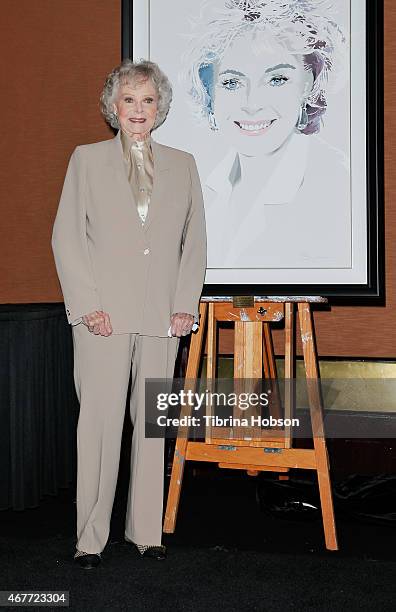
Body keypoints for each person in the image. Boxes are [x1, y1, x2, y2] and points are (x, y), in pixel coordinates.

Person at [51, 59, 207, 568]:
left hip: (163, 315)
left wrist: (185, 305)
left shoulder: (184, 164)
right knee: (97, 427)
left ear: (159, 108)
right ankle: (89, 538)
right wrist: (87, 305)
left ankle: (146, 530)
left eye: (147, 100)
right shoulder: (86, 160)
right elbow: (67, 238)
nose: (138, 109)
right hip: (103, 318)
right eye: (128, 100)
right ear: (112, 108)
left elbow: (195, 242)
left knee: (151, 427)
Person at [183, 0, 350, 270]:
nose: (252, 103)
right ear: (210, 94)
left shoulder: (339, 186)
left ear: (310, 85)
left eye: (276, 79)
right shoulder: (202, 189)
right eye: (232, 82)